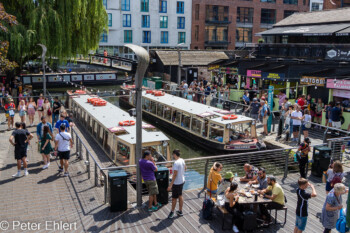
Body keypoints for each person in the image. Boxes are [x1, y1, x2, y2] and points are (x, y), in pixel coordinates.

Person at [167, 149, 186, 218]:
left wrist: (170, 185)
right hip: (182, 180)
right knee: (180, 196)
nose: (172, 155)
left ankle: (172, 212)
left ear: (175, 154)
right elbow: (185, 168)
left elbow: (174, 174)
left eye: (173, 154)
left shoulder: (176, 163)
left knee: (174, 198)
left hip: (177, 183)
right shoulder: (182, 160)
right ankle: (180, 211)